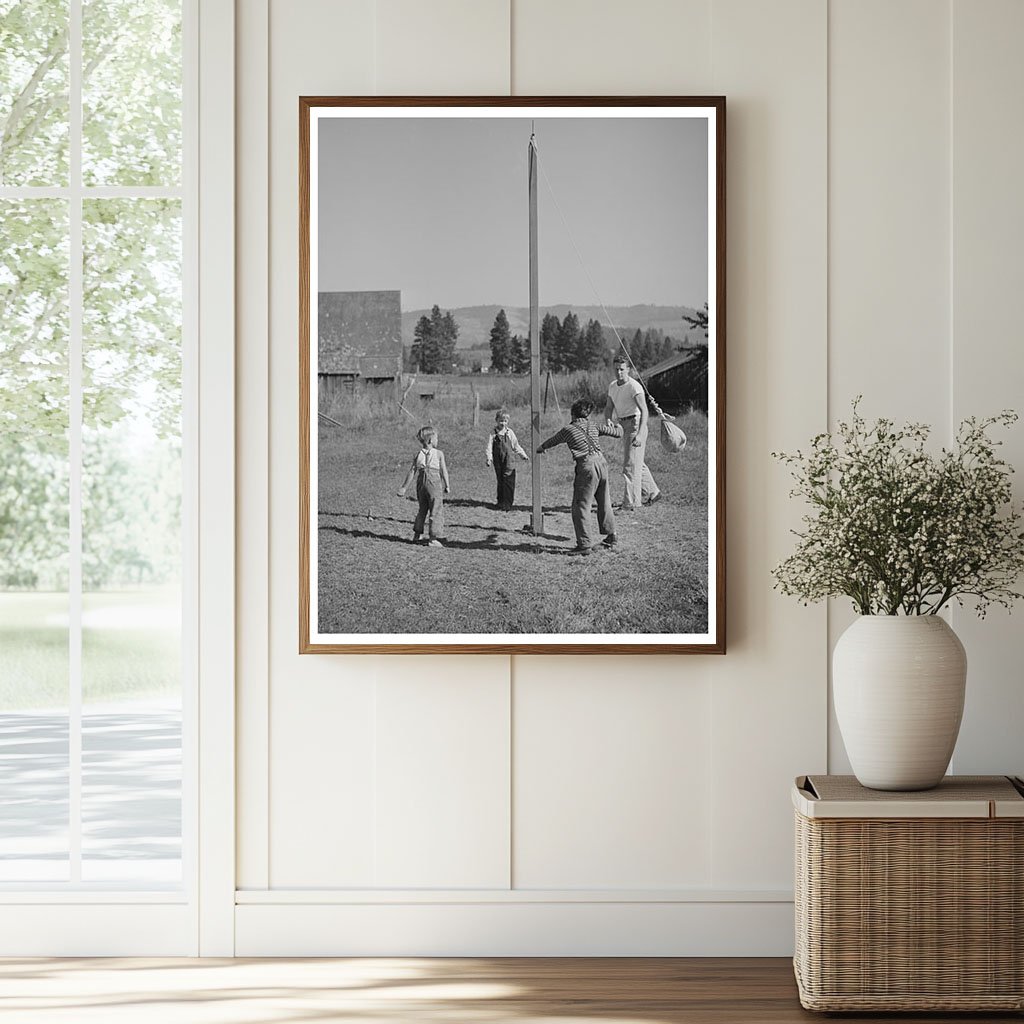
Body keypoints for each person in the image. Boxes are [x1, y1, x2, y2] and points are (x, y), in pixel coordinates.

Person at [536, 399, 622, 555]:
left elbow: (553, 440)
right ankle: (611, 536)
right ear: (587, 415)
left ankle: (584, 545)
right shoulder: (593, 425)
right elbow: (617, 433)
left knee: (581, 506)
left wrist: (541, 448)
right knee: (604, 502)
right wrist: (617, 425)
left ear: (573, 414)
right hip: (602, 463)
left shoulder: (568, 429)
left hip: (587, 466)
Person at [603, 355, 662, 510]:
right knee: (636, 461)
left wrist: (640, 434)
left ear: (628, 370)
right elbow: (608, 407)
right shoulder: (613, 386)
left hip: (636, 424)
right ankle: (653, 492)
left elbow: (644, 411)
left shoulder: (634, 387)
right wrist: (608, 419)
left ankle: (630, 504)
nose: (619, 373)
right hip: (623, 425)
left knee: (629, 465)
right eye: (616, 369)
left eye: (622, 369)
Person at [397, 425, 450, 546]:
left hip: (421, 483)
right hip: (434, 482)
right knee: (436, 509)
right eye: (436, 438)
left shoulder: (418, 454)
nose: (437, 440)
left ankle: (417, 534)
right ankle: (433, 538)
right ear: (431, 440)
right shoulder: (439, 454)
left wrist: (404, 487)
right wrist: (447, 485)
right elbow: (443, 470)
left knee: (422, 509)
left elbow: (412, 471)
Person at [484, 409, 529, 511]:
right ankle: (500, 502)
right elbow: (489, 446)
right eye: (501, 421)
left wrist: (523, 455)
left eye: (505, 421)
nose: (503, 423)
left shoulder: (510, 433)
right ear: (496, 420)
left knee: (508, 479)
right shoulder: (493, 433)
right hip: (498, 460)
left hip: (509, 460)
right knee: (500, 480)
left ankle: (508, 503)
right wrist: (489, 458)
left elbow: (516, 445)